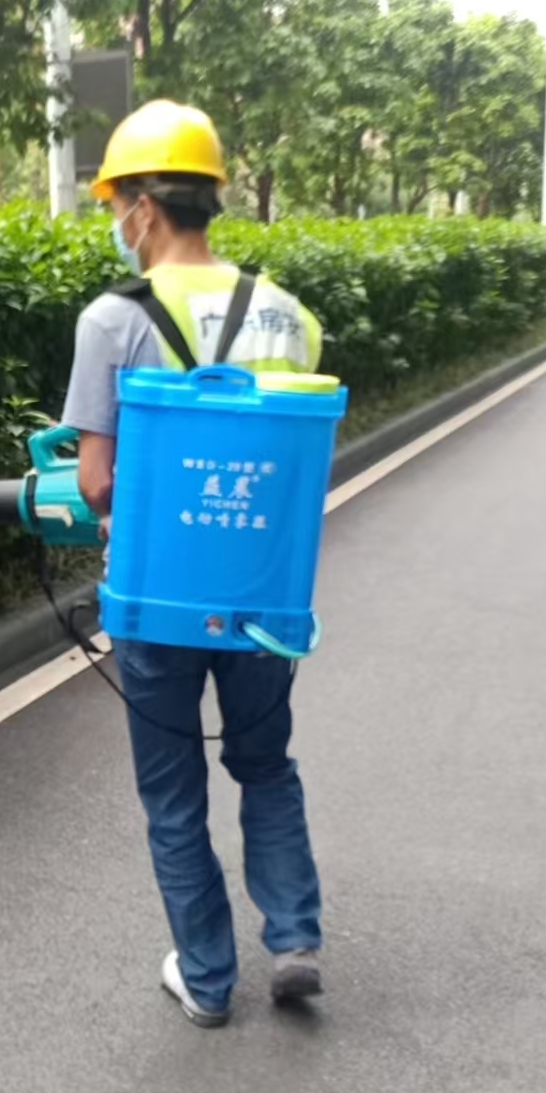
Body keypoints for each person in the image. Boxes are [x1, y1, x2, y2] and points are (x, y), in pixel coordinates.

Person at [62, 99, 325, 1028]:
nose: (116, 224)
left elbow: (98, 481)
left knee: (174, 794)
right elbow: (289, 461)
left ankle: (208, 981)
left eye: (115, 206)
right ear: (209, 196)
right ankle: (294, 939)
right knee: (265, 765)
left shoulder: (113, 319)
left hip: (157, 601)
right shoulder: (289, 317)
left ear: (143, 206)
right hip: (260, 601)